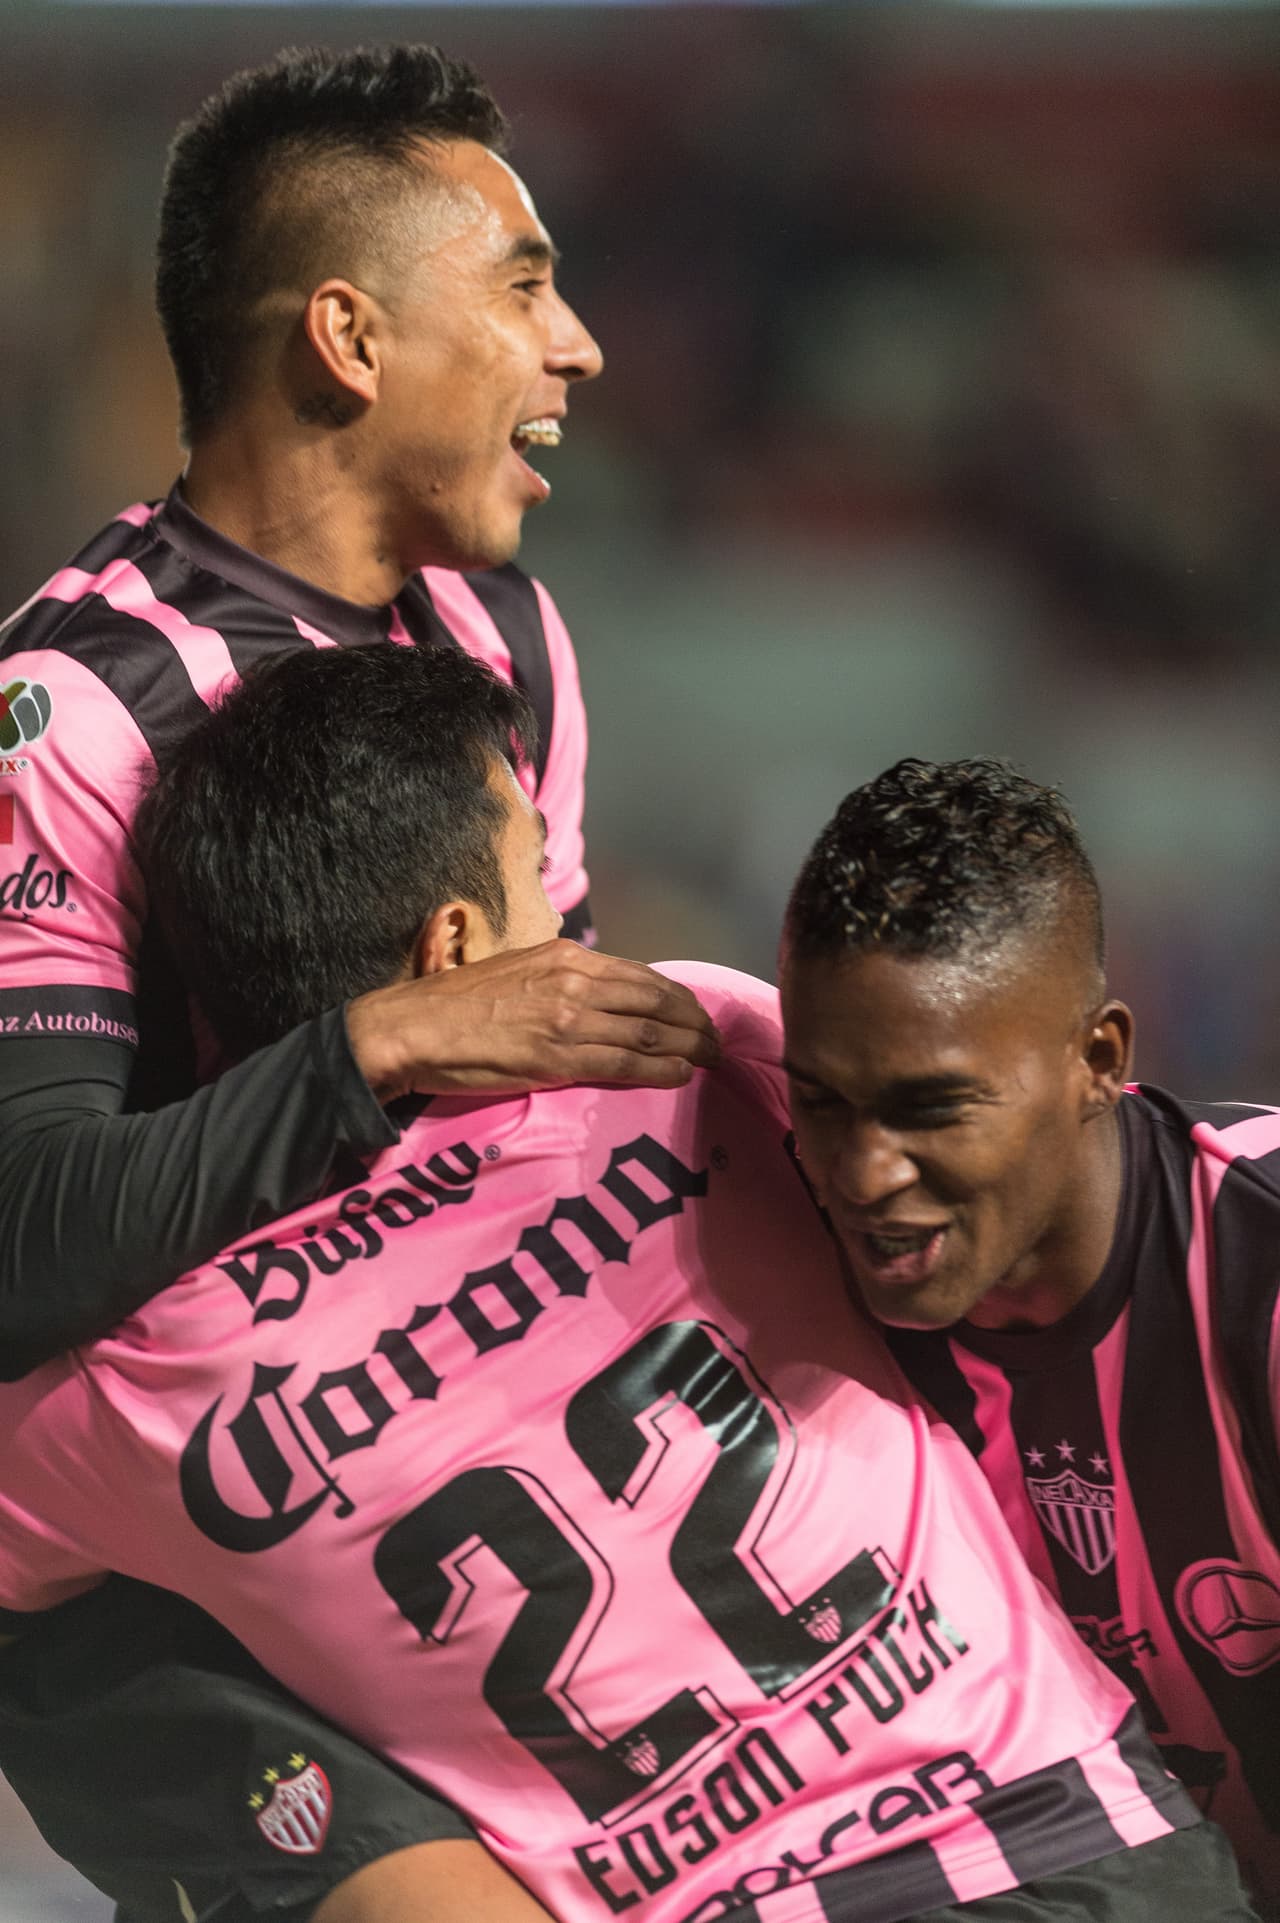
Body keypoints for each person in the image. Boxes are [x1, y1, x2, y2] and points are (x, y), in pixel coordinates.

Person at [0, 643, 1258, 1923]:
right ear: (458, 950)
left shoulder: (138, 1375)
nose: (569, 915)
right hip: (1064, 1842)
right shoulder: (675, 1050)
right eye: (534, 870)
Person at [0, 41, 715, 1923]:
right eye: (524, 282)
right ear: (348, 334)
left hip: (446, 1484)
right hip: (151, 1594)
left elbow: (533, 1138)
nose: (580, 350)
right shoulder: (66, 715)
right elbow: (20, 1235)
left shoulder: (510, 640)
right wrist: (384, 1042)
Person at [778, 755, 1280, 1920]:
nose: (863, 1174)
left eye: (929, 1108)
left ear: (1097, 1059)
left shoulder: (1256, 1266)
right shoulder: (779, 1272)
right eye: (821, 1102)